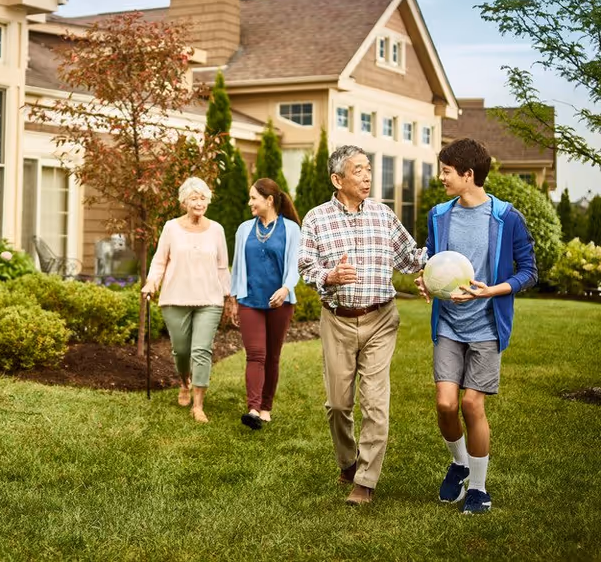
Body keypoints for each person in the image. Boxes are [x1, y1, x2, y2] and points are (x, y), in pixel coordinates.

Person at [298, 145, 426, 505]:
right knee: (338, 404)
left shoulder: (383, 216)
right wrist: (330, 275)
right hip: (338, 321)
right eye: (358, 170)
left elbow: (411, 257)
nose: (368, 176)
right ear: (337, 179)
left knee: (375, 403)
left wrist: (442, 260)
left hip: (381, 319)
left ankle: (366, 481)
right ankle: (347, 460)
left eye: (369, 169)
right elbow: (306, 268)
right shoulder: (317, 218)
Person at [417, 138, 537, 514]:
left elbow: (529, 272)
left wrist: (490, 292)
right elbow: (432, 257)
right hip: (450, 326)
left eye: (447, 172)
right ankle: (459, 463)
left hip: (486, 325)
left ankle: (479, 489)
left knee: (472, 404)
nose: (441, 178)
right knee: (445, 404)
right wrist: (426, 279)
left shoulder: (506, 217)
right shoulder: (439, 214)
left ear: (469, 175)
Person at [142, 177, 231, 423]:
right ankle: (184, 381)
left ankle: (198, 405)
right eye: (194, 198)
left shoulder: (217, 230)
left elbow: (222, 267)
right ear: (184, 202)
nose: (199, 202)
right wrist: (152, 282)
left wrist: (229, 294)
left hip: (209, 299)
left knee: (201, 350)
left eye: (203, 198)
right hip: (175, 297)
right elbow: (160, 260)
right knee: (181, 350)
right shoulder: (171, 228)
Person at [228, 178, 301, 431]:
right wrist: (234, 297)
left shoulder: (291, 229)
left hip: (281, 302)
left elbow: (294, 266)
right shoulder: (244, 229)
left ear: (269, 200)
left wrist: (285, 288)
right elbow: (237, 266)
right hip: (250, 300)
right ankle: (253, 408)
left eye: (253, 198)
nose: (250, 203)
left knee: (272, 356)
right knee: (256, 355)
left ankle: (266, 407)